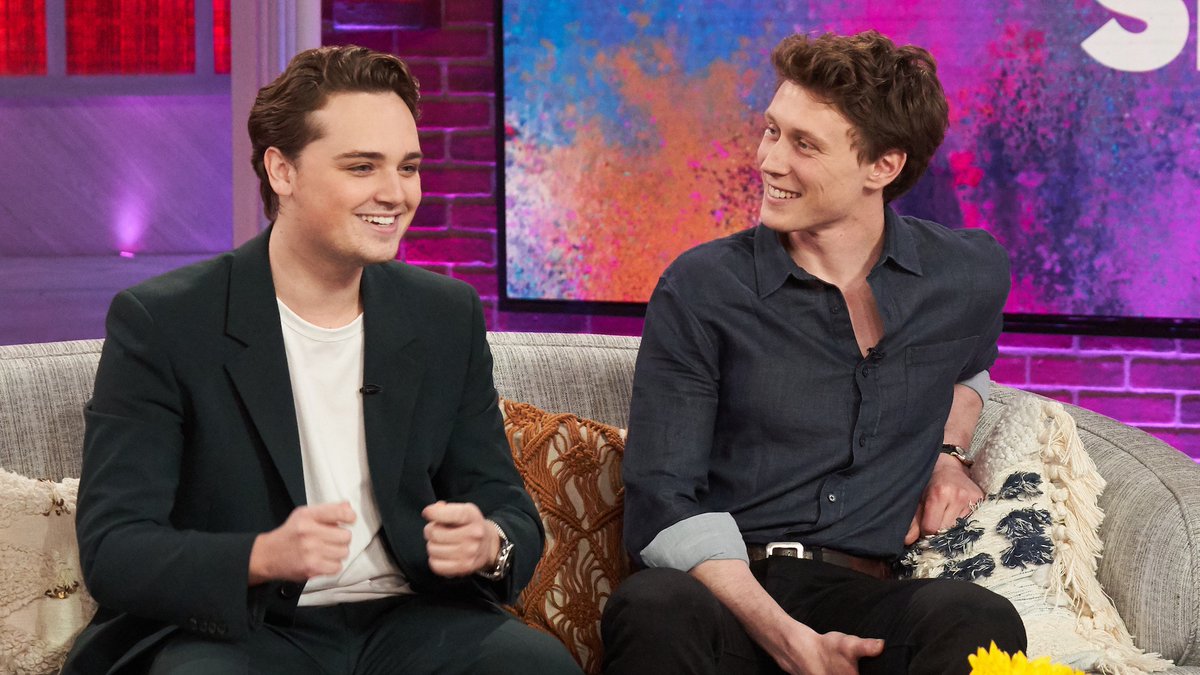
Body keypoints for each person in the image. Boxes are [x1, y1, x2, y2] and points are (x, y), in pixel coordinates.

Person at [62, 45, 580, 675]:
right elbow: (115, 548)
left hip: (410, 617)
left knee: (537, 666)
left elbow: (504, 504)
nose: (395, 194)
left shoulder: (445, 315)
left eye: (408, 168)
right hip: (241, 627)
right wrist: (261, 556)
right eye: (362, 167)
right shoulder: (166, 322)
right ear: (282, 171)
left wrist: (489, 544)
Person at [601, 31, 1025, 675]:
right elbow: (662, 498)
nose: (770, 161)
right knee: (653, 604)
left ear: (882, 166)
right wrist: (789, 640)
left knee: (979, 617)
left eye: (804, 144)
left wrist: (948, 454)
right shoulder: (703, 287)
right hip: (728, 592)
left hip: (864, 596)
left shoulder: (965, 274)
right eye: (772, 131)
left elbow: (970, 366)